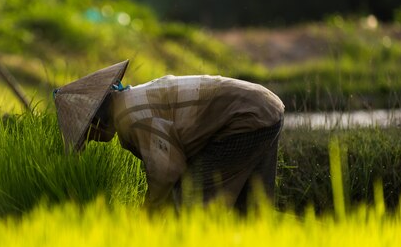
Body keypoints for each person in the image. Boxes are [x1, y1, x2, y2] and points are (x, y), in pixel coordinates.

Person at [54, 60, 285, 213]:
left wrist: (148, 214)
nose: (91, 140)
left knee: (190, 202)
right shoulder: (131, 100)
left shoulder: (129, 116)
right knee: (253, 204)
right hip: (263, 106)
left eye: (88, 134)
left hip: (245, 117)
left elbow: (168, 171)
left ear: (96, 121)